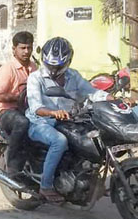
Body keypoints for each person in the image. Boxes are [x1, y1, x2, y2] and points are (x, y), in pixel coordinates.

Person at [26, 37, 112, 201]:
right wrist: (53, 113)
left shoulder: (73, 75)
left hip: (69, 120)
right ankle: (46, 186)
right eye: (50, 65)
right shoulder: (35, 78)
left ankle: (86, 178)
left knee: (94, 138)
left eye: (57, 65)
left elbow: (91, 92)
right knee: (59, 141)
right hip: (40, 121)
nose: (53, 69)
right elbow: (36, 107)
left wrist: (112, 99)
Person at [0, 31, 37, 176]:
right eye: (22, 48)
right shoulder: (7, 69)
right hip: (7, 112)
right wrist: (18, 97)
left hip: (29, 110)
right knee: (22, 122)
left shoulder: (34, 68)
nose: (26, 51)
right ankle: (12, 165)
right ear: (14, 49)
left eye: (29, 48)